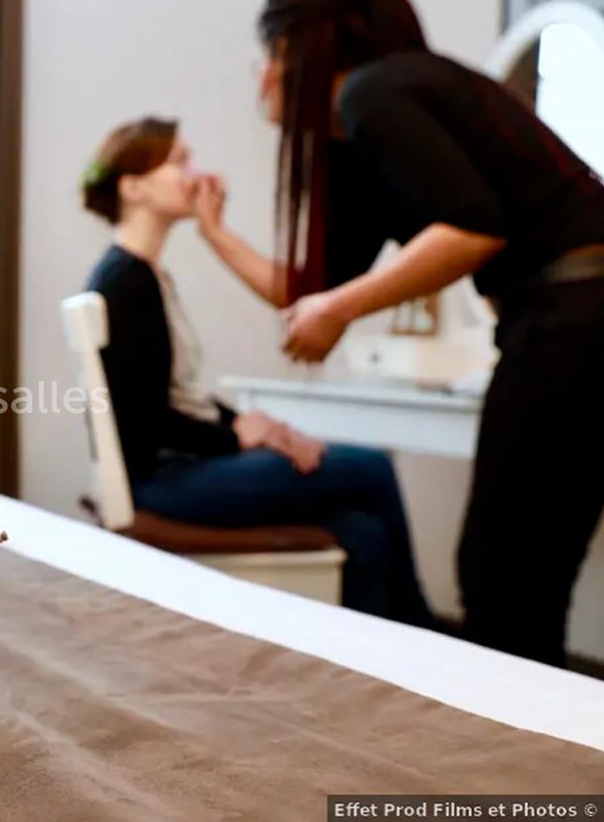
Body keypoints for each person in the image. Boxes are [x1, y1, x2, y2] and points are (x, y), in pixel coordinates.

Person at [196, 0, 604, 666]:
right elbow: (311, 288)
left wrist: (338, 308)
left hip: (575, 319)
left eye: (266, 53)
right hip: (567, 322)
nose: (259, 75)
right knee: (517, 575)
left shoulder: (375, 91)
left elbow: (474, 230)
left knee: (504, 578)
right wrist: (214, 232)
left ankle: (515, 759)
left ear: (297, 49)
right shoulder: (366, 125)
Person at [82, 116, 433, 626]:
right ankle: (423, 634)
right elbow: (145, 421)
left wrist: (258, 428)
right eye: (179, 162)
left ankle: (384, 655)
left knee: (362, 530)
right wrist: (237, 436)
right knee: (372, 468)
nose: (197, 173)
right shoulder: (126, 281)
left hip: (180, 465)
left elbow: (178, 400)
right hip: (164, 480)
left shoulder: (144, 275)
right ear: (133, 187)